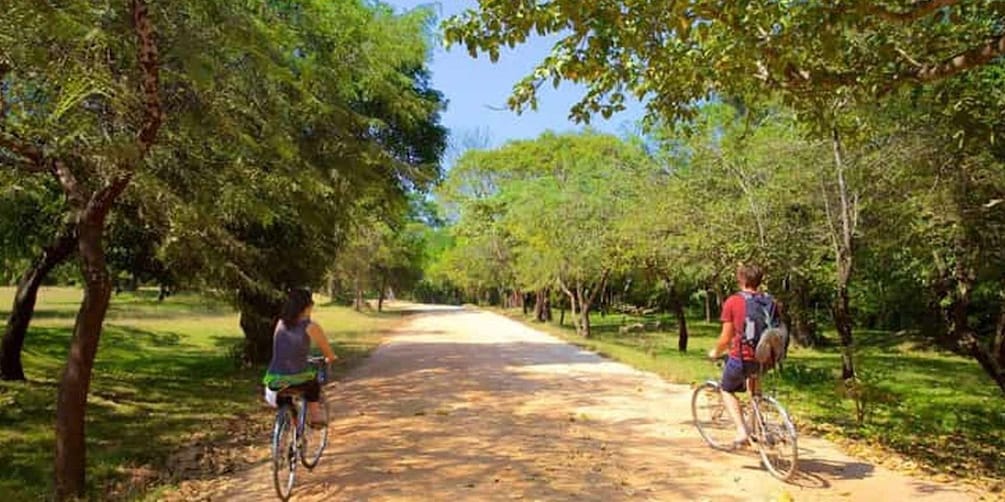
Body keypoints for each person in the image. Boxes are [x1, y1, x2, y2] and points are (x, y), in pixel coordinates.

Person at [709, 263, 778, 448]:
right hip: (766, 357)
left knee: (726, 389)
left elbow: (726, 338)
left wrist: (715, 352)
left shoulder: (733, 301)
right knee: (754, 388)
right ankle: (756, 428)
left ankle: (742, 431)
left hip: (743, 356)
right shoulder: (770, 300)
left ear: (741, 279)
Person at [263, 288, 337, 428]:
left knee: (286, 399)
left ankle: (295, 433)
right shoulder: (311, 326)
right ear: (307, 306)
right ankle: (315, 416)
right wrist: (330, 358)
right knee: (313, 384)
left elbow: (281, 350)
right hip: (296, 379)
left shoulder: (280, 323)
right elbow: (328, 353)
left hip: (273, 380)